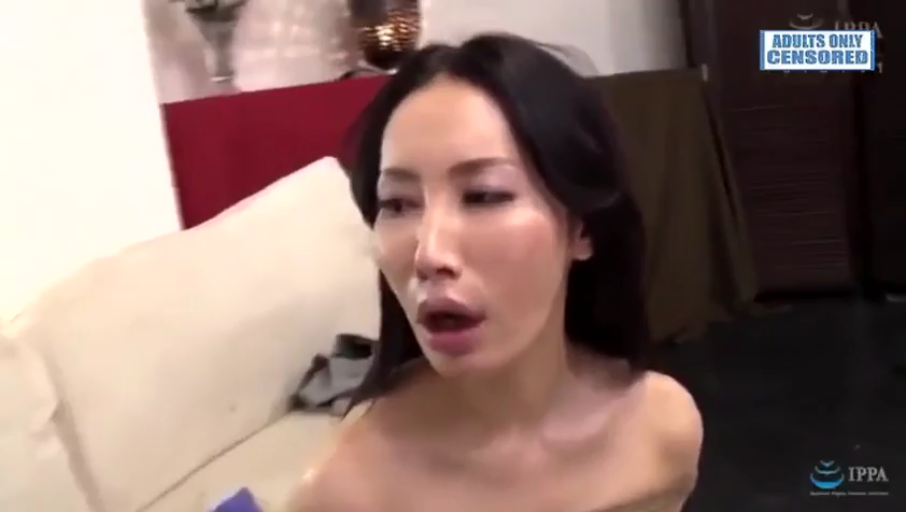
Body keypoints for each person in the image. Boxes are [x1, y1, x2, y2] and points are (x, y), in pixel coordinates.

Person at [289, 33, 703, 512]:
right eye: (397, 203)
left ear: (582, 227)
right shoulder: (347, 490)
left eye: (484, 195)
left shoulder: (661, 432)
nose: (428, 253)